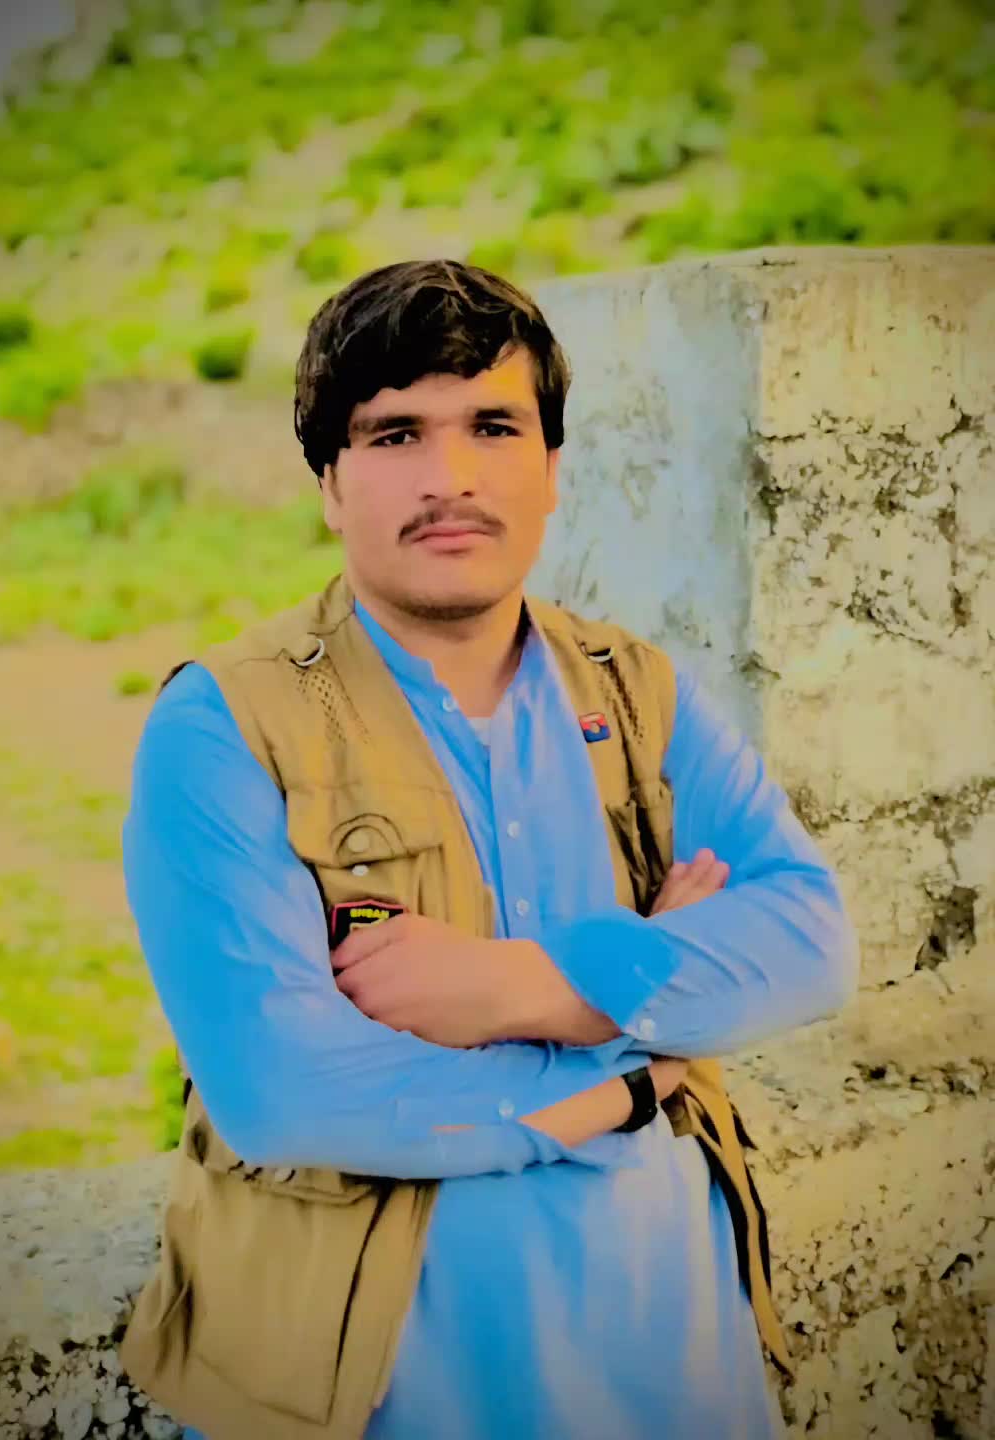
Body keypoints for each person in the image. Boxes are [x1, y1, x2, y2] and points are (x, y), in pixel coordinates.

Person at [119, 259, 859, 1440]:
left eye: (494, 427)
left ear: (552, 469)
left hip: (679, 1377)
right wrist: (626, 1075)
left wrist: (518, 985)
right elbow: (282, 1092)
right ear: (330, 482)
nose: (449, 478)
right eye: (396, 434)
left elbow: (811, 944)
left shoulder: (638, 692)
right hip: (385, 1405)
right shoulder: (224, 725)